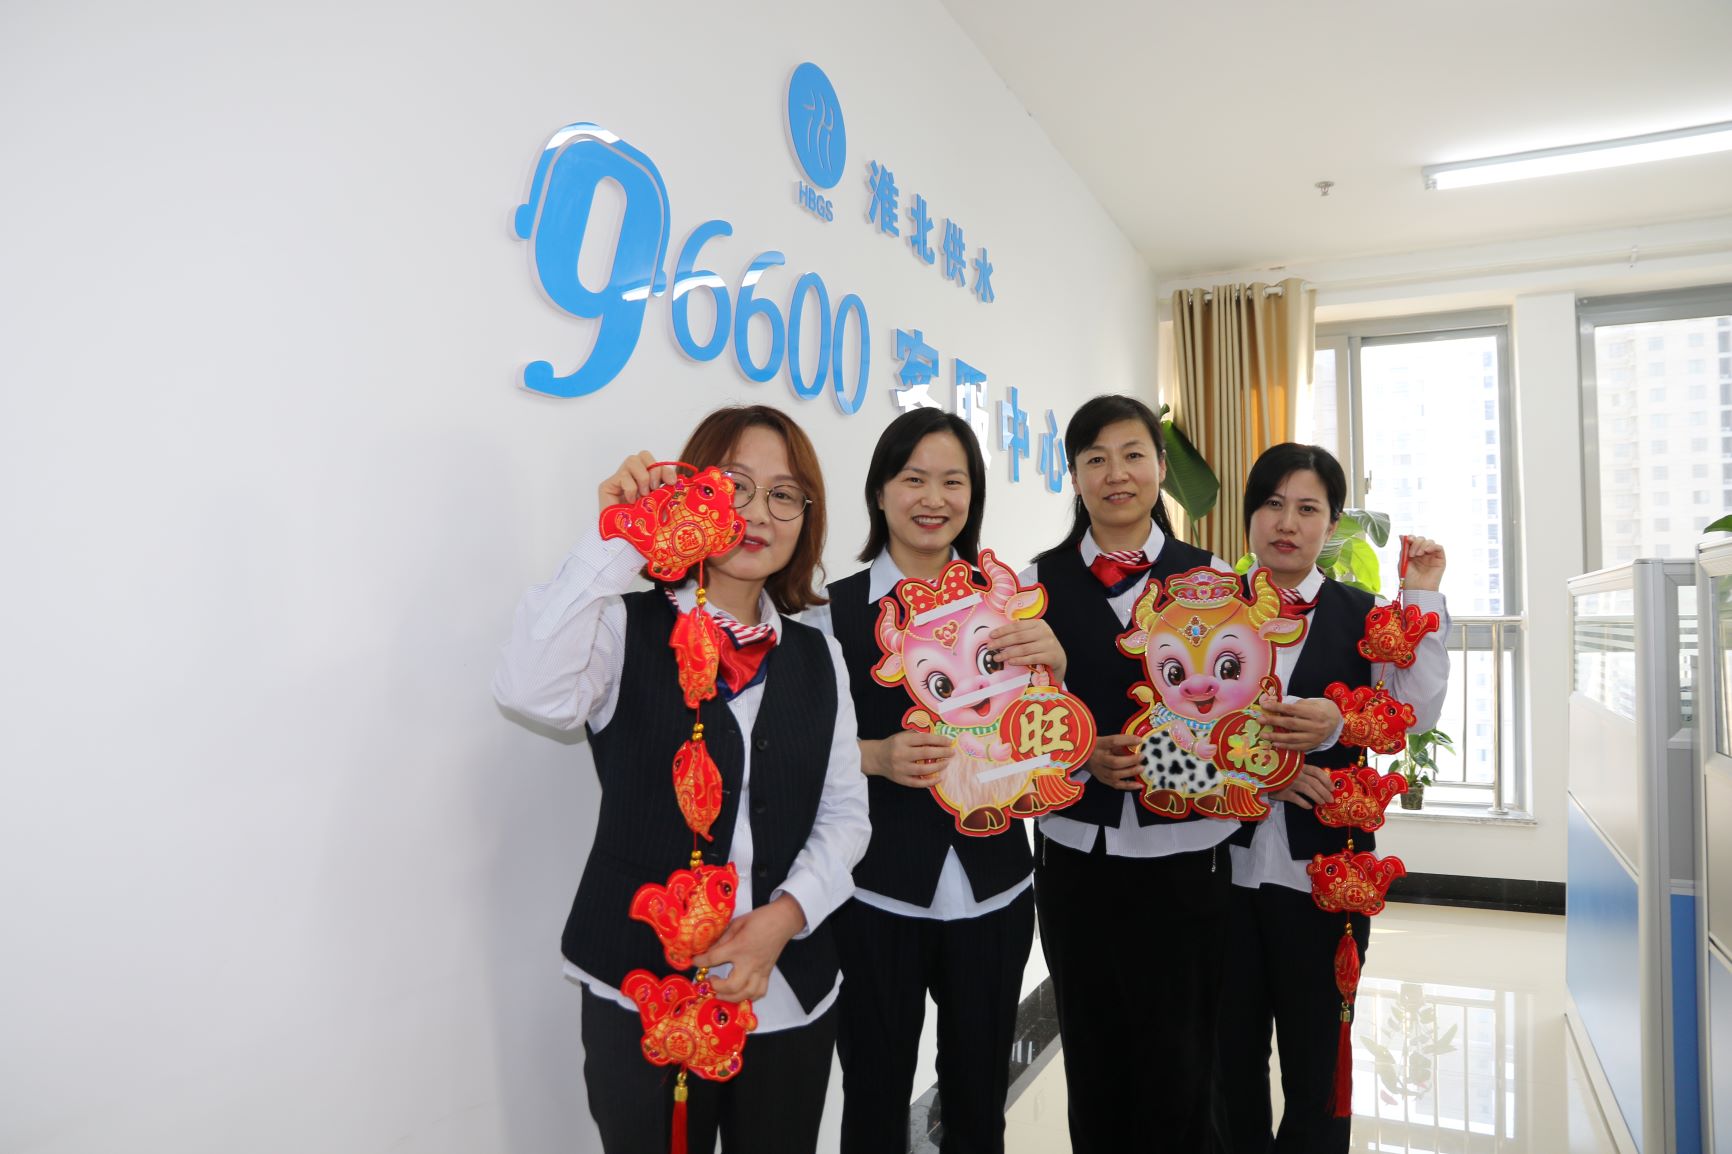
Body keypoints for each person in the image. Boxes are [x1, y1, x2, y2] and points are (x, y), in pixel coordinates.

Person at [493, 404, 870, 1154]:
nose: (757, 513)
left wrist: (784, 918)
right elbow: (528, 692)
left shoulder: (817, 655)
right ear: (691, 490)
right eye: (734, 484)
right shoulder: (621, 627)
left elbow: (845, 816)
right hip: (640, 992)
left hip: (788, 993)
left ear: (806, 518)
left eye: (785, 494)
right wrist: (617, 540)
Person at [1024, 395, 1340, 1153]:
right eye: (1095, 459)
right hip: (1077, 854)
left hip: (1190, 856)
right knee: (1093, 1060)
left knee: (1187, 1064)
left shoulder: (1217, 582)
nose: (1116, 474)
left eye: (1133, 455)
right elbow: (1011, 725)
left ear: (1162, 468)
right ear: (1074, 476)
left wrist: (1290, 747)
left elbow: (1242, 716)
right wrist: (1080, 752)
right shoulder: (1035, 584)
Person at [805, 408, 1066, 1154]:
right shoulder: (830, 613)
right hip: (874, 894)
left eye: (953, 481)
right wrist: (873, 755)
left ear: (972, 495)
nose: (933, 498)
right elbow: (795, 748)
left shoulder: (1009, 605)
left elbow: (1046, 734)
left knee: (979, 1103)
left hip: (995, 889)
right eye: (913, 478)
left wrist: (1057, 667)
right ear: (879, 492)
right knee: (875, 1099)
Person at [1213, 442, 1449, 1154]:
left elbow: (1416, 710)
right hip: (1215, 870)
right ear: (1249, 515)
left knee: (1318, 1064)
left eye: (1307, 508)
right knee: (1226, 1063)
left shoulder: (1364, 614)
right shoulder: (1206, 610)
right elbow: (1170, 722)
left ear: (1333, 523)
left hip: (1324, 877)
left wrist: (1421, 596)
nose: (1287, 523)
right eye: (1272, 504)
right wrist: (1260, 775)